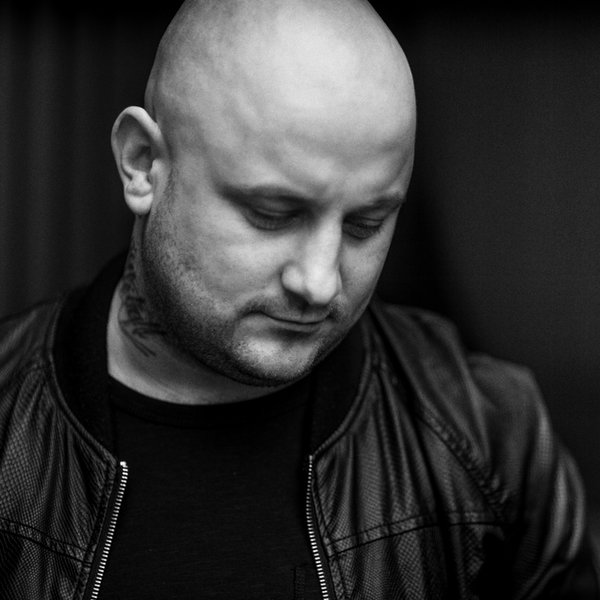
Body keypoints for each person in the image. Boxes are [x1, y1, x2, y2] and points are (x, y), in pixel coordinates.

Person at [0, 0, 598, 598]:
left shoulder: (491, 437)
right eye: (273, 214)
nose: (320, 283)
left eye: (365, 224)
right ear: (142, 163)